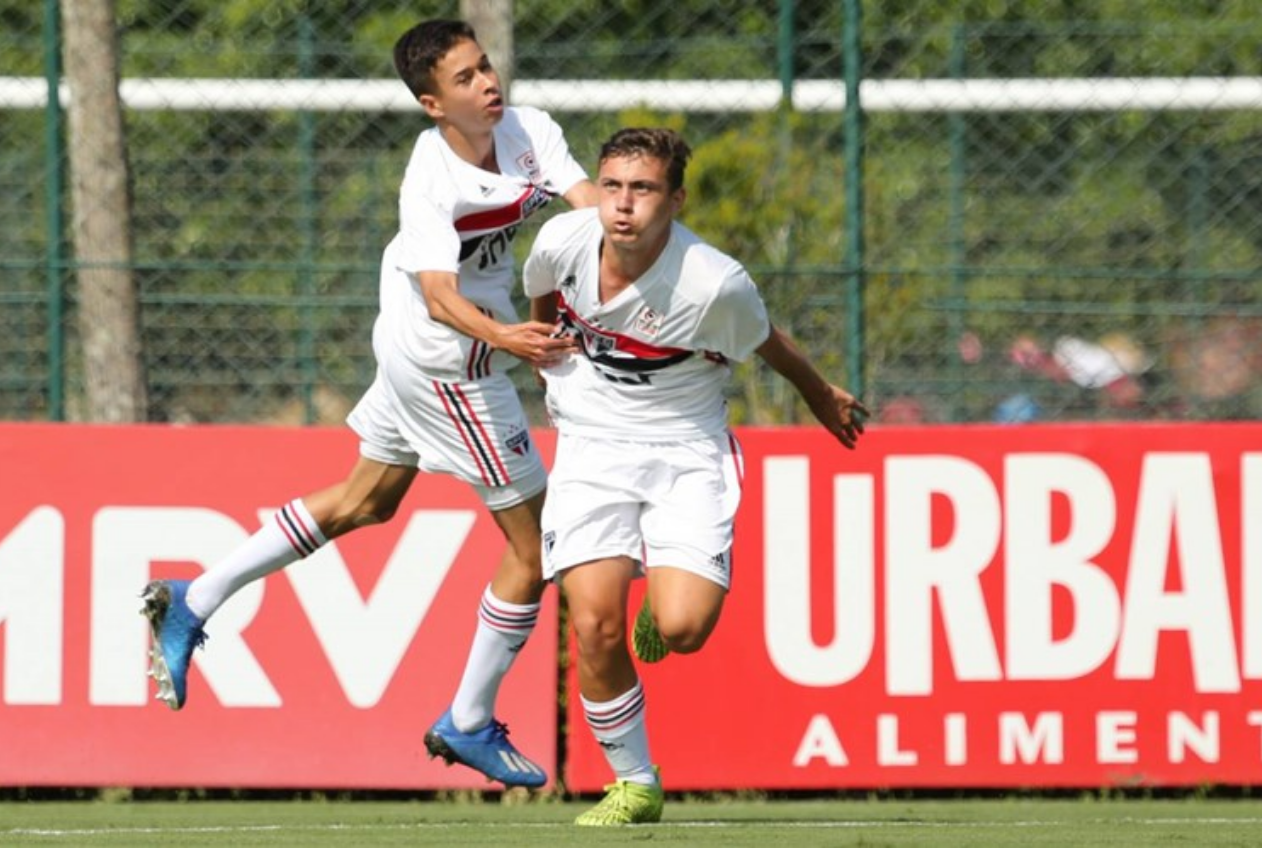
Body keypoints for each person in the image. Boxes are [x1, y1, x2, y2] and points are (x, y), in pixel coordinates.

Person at [140, 18, 597, 789]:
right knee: (537, 545)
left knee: (366, 499)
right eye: (464, 79)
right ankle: (470, 719)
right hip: (449, 361)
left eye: (485, 67)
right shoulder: (430, 177)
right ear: (431, 104)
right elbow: (443, 297)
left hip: (428, 346)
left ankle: (197, 595)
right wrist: (518, 343)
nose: (487, 83)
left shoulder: (532, 131)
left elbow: (587, 214)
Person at [521, 127, 868, 825]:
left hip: (685, 451)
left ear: (675, 199)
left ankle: (665, 599)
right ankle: (635, 782)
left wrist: (821, 395)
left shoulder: (714, 282)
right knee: (593, 625)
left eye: (643, 189)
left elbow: (769, 344)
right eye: (612, 185)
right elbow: (540, 297)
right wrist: (546, 349)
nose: (622, 205)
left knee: (682, 629)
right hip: (591, 446)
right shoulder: (562, 241)